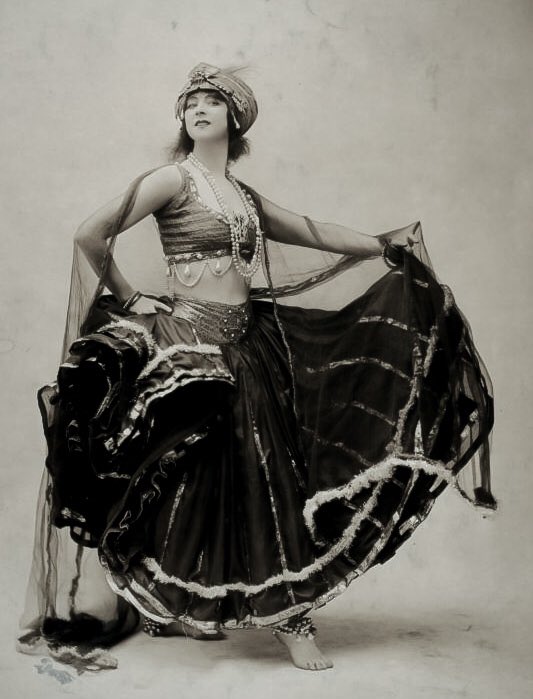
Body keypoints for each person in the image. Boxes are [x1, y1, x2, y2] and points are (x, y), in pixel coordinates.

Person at [18, 63, 495, 673]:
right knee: (203, 480)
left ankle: (282, 611)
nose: (198, 110)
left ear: (235, 119)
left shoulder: (242, 196)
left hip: (250, 344)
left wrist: (381, 246)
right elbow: (90, 235)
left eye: (212, 102)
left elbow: (312, 230)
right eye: (190, 102)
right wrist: (131, 297)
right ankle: (211, 607)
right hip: (192, 342)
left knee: (260, 477)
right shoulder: (172, 179)